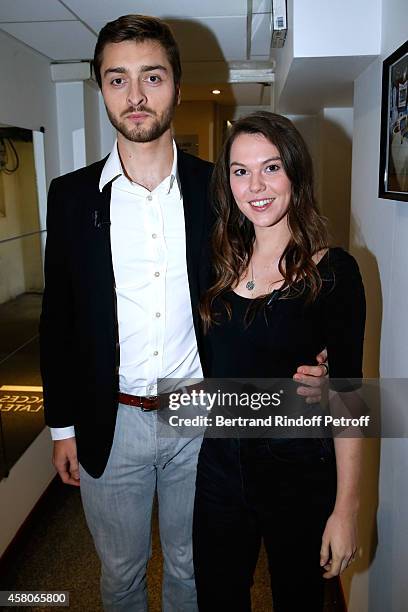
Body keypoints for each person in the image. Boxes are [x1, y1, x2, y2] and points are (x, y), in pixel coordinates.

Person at [39, 16, 328, 612]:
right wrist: (61, 426)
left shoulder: (216, 190)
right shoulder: (70, 197)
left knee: (191, 569)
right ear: (101, 88)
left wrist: (310, 352)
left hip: (197, 417)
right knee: (118, 574)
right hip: (106, 419)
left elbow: (267, 276)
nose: (136, 95)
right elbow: (59, 319)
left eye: (152, 76)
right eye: (118, 79)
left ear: (174, 84)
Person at [193, 112, 366, 612]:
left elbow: (349, 397)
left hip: (298, 471)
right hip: (220, 466)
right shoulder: (217, 262)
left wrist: (346, 508)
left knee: (298, 600)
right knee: (217, 597)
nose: (256, 186)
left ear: (295, 172)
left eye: (271, 168)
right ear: (227, 182)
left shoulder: (333, 272)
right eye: (241, 171)